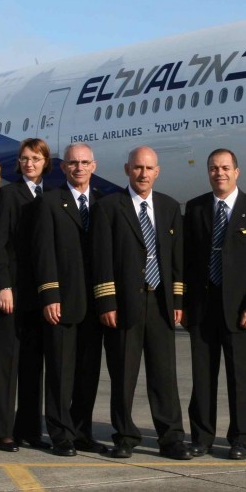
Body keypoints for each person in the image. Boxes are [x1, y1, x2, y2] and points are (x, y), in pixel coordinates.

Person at [92, 146, 191, 460]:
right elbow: (102, 256)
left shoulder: (168, 207)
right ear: (127, 169)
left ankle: (172, 438)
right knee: (123, 375)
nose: (143, 174)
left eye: (149, 169)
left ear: (157, 171)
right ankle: (124, 435)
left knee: (164, 375)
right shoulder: (110, 206)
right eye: (137, 168)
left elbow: (176, 259)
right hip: (123, 304)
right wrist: (107, 300)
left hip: (160, 302)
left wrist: (177, 299)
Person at [183, 149, 246, 459]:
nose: (219, 173)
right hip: (202, 308)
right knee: (202, 378)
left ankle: (241, 439)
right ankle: (202, 437)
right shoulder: (195, 209)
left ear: (237, 171)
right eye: (213, 168)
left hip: (240, 311)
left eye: (224, 168)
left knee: (240, 378)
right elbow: (185, 261)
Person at [33, 143, 108, 456]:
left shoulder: (104, 203)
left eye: (84, 163)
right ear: (63, 168)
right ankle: (61, 433)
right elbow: (43, 251)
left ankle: (82, 431)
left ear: (94, 166)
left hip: (96, 302)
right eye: (73, 163)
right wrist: (49, 294)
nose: (79, 168)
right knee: (61, 372)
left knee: (88, 373)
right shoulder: (50, 201)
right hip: (63, 300)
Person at [0, 138, 51, 452]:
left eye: (36, 158)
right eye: (25, 158)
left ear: (45, 162)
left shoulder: (51, 196)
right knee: (6, 364)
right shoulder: (9, 194)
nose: (30, 163)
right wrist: (3, 285)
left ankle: (29, 428)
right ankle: (2, 430)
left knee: (32, 364)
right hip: (12, 292)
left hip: (39, 294)